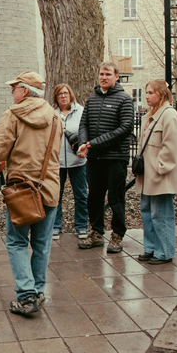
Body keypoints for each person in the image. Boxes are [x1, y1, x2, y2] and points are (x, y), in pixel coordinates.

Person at [0, 71, 61, 315]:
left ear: (25, 90)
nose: (12, 92)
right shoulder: (56, 117)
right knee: (42, 244)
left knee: (17, 242)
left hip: (22, 190)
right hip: (49, 188)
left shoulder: (13, 115)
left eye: (14, 88)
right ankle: (37, 291)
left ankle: (26, 296)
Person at [77, 62, 134, 254]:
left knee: (116, 198)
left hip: (116, 158)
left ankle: (117, 235)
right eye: (101, 73)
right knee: (94, 197)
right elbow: (83, 124)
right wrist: (84, 143)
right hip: (95, 159)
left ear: (116, 77)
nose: (103, 77)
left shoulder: (124, 99)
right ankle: (97, 232)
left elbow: (125, 129)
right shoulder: (92, 99)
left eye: (108, 74)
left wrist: (94, 143)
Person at [135, 80, 177, 265]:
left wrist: (160, 168)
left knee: (161, 214)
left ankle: (164, 252)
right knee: (147, 211)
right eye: (146, 92)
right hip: (148, 175)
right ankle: (151, 248)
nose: (146, 96)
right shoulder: (150, 115)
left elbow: (171, 147)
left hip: (160, 175)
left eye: (150, 93)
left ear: (161, 94)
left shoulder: (169, 115)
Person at [52, 84, 88, 241]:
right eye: (60, 94)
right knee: (55, 195)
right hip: (57, 162)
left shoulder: (81, 111)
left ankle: (81, 226)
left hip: (78, 161)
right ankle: (55, 226)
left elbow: (87, 132)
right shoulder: (52, 114)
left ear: (71, 94)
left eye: (66, 93)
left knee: (80, 195)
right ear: (56, 97)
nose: (63, 96)